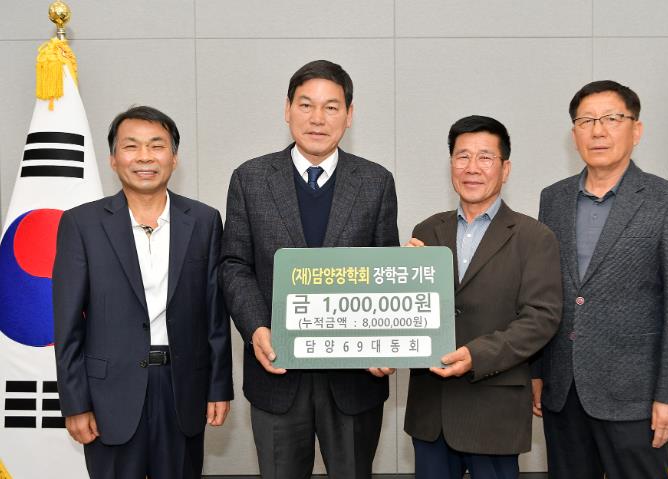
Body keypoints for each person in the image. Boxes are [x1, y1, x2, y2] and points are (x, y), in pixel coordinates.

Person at [219, 59, 399, 479]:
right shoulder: (250, 178)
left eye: (331, 107)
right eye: (306, 105)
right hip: (277, 373)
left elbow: (385, 268)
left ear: (349, 115)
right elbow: (234, 265)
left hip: (354, 381)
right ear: (287, 109)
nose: (318, 118)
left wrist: (388, 343)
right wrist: (257, 328)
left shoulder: (376, 182)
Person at [53, 106, 233, 479]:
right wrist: (75, 402)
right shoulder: (81, 224)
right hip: (109, 394)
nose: (145, 157)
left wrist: (219, 387)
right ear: (113, 159)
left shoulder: (203, 221)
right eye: (131, 146)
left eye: (157, 145)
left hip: (181, 387)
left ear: (174, 157)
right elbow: (67, 325)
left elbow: (215, 315)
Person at [532, 80, 668, 478]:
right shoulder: (552, 199)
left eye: (611, 118)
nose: (598, 131)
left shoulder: (666, 200)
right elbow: (543, 293)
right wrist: (537, 372)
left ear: (636, 130)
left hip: (635, 397)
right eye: (586, 121)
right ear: (574, 134)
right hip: (563, 390)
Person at [404, 115, 562, 479]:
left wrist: (477, 355)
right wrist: (404, 279)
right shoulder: (426, 230)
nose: (472, 168)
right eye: (462, 156)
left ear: (505, 169)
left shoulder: (534, 237)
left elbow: (541, 318)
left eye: (485, 157)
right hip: (431, 413)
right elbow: (414, 312)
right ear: (451, 165)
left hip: (495, 412)